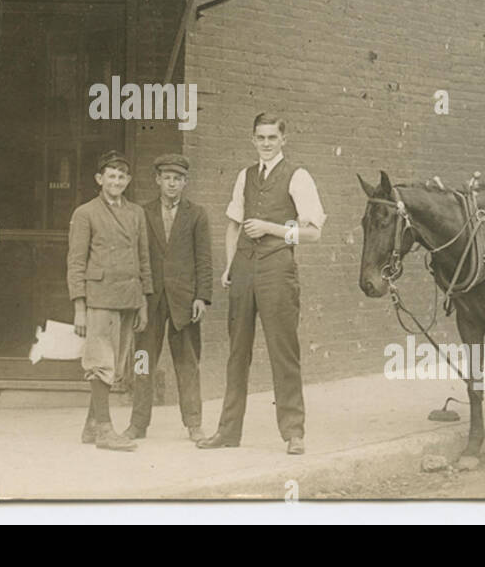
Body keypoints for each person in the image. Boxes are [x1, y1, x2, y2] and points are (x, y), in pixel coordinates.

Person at [198, 113, 325, 455]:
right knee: (237, 353)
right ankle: (228, 431)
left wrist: (272, 228)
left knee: (283, 352)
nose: (266, 143)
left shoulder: (298, 176)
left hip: (277, 271)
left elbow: (313, 232)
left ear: (284, 139)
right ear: (252, 140)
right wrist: (230, 266)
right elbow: (232, 226)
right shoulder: (245, 175)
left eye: (272, 137)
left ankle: (293, 433)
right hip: (243, 271)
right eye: (260, 138)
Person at [123, 154, 212, 443]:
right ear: (157, 180)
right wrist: (138, 299)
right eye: (167, 178)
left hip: (184, 301)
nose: (172, 184)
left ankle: (194, 424)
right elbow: (135, 257)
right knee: (142, 360)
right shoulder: (142, 212)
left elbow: (204, 260)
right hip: (149, 301)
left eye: (178, 179)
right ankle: (138, 425)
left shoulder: (197, 214)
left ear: (185, 182)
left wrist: (202, 298)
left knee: (188, 363)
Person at [67, 151, 152, 451]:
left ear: (128, 181)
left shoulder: (136, 213)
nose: (116, 181)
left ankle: (91, 427)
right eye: (110, 176)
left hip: (128, 297)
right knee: (100, 362)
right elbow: (76, 262)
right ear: (99, 179)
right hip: (100, 298)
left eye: (121, 176)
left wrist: (143, 299)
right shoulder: (85, 213)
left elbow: (144, 259)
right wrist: (79, 307)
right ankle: (104, 429)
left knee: (115, 364)